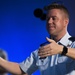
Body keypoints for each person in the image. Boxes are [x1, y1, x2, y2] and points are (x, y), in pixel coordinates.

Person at [0, 2, 75, 75]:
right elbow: (21, 69)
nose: (49, 22)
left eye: (54, 18)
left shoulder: (73, 44)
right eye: (48, 18)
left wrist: (61, 49)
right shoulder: (43, 49)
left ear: (65, 22)